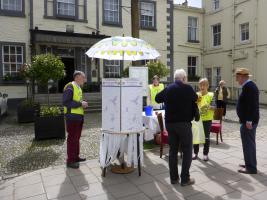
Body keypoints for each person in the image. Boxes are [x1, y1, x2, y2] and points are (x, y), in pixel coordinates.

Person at [155, 69, 199, 186]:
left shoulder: (169, 88)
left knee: (173, 150)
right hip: (184, 124)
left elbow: (157, 98)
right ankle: (185, 179)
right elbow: (196, 99)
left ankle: (174, 178)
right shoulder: (188, 88)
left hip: (170, 124)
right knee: (187, 150)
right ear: (183, 78)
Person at [235, 68, 259, 174]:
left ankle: (251, 168)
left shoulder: (249, 87)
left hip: (248, 122)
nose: (236, 79)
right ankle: (250, 163)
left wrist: (249, 120)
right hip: (247, 120)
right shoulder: (248, 86)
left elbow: (251, 105)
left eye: (237, 77)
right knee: (249, 144)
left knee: (248, 144)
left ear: (243, 77)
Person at [63, 71, 88, 169]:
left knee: (76, 138)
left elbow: (77, 101)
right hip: (72, 117)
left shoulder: (78, 87)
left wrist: (83, 103)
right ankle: (70, 161)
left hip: (78, 117)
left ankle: (76, 157)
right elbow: (66, 102)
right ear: (77, 77)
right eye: (83, 77)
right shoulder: (70, 86)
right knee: (72, 139)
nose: (85, 80)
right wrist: (80, 104)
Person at [193, 78, 215, 162]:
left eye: (204, 85)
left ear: (207, 86)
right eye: (200, 85)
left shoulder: (211, 95)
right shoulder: (197, 95)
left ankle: (205, 154)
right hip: (197, 119)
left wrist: (208, 106)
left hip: (207, 120)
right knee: (196, 137)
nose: (202, 87)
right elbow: (195, 106)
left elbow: (214, 107)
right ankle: (195, 153)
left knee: (206, 138)